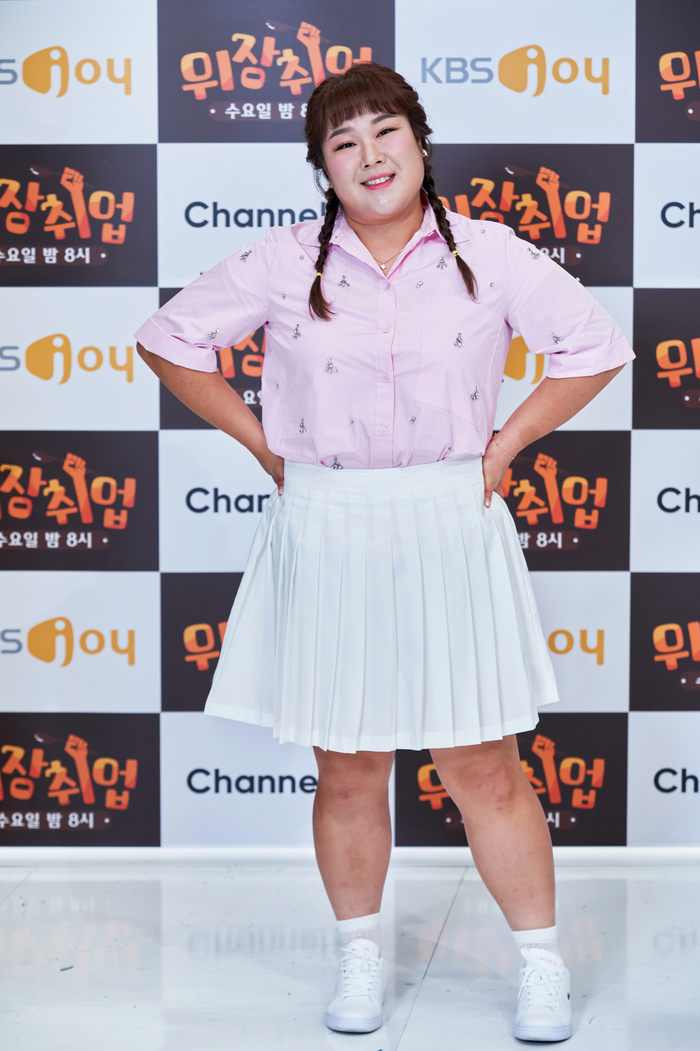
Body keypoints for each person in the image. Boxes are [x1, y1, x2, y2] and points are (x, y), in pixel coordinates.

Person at [136, 63, 633, 1042]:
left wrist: (506, 443)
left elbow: (595, 346)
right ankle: (359, 952)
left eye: (384, 132)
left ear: (420, 141)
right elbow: (169, 339)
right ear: (323, 166)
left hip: (448, 514)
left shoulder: (488, 252)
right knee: (351, 766)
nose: (369, 156)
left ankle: (542, 964)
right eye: (343, 142)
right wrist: (263, 445)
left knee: (483, 764)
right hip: (327, 519)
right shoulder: (283, 260)